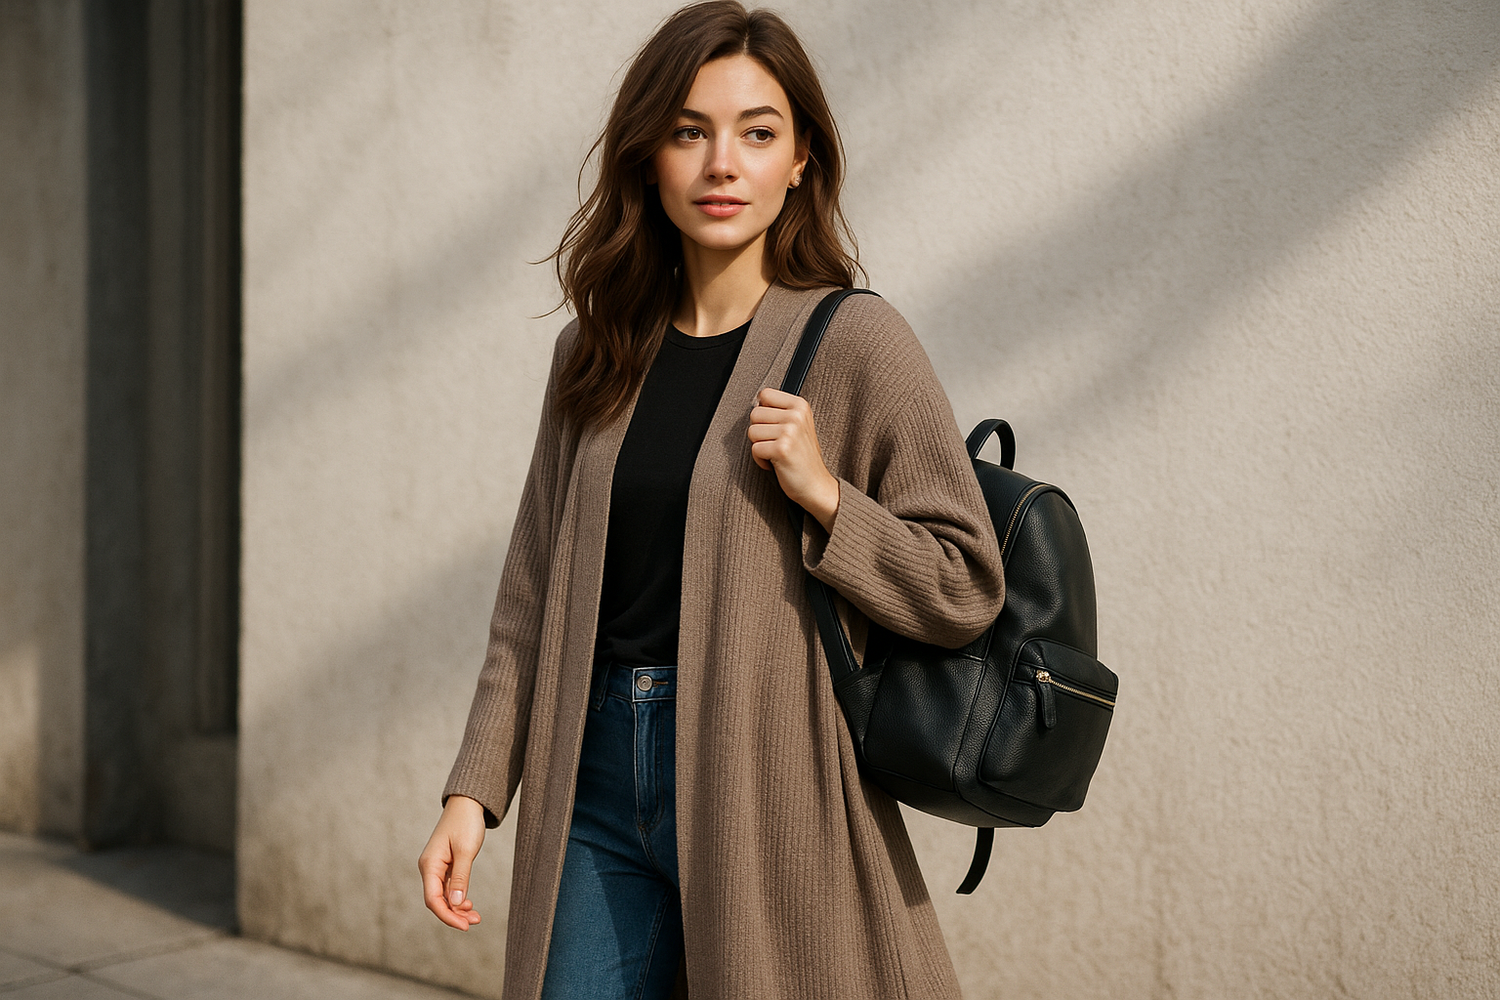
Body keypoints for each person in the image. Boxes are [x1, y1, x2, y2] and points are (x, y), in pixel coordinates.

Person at [417, 3, 1004, 997]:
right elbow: (530, 597)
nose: (722, 164)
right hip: (593, 776)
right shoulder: (596, 350)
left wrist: (829, 498)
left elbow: (966, 582)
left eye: (757, 133)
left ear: (802, 160)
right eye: (690, 132)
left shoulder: (856, 342)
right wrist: (473, 792)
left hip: (763, 775)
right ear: (649, 156)